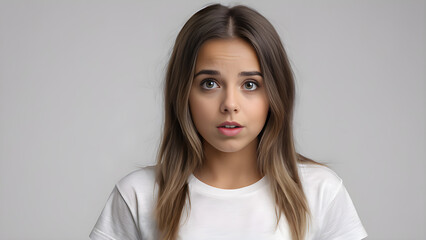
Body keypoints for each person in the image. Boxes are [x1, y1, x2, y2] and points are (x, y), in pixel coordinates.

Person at [89, 4, 368, 240]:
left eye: (250, 84)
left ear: (275, 93)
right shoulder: (137, 196)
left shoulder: (320, 193)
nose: (230, 104)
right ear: (183, 92)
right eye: (210, 83)